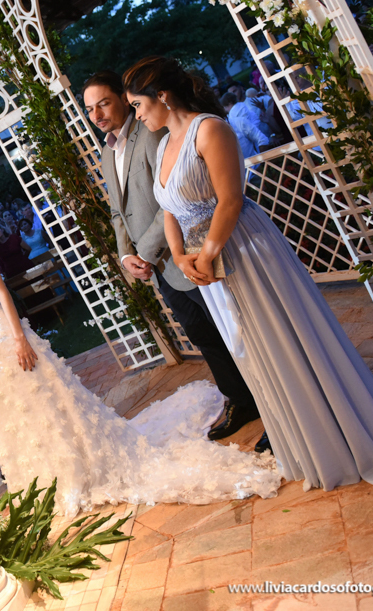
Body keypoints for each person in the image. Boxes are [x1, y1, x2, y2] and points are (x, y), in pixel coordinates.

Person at [123, 55, 373, 492]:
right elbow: (168, 211)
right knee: (254, 351)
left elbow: (230, 199)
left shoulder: (210, 129)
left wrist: (209, 253)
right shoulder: (163, 146)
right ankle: (303, 441)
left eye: (138, 105)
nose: (137, 116)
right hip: (205, 265)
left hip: (242, 250)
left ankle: (339, 436)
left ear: (162, 96)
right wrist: (180, 257)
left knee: (284, 338)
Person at [0, 203, 281, 515]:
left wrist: (20, 339)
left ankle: (82, 469)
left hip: (7, 340)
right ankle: (47, 482)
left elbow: (2, 293)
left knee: (48, 406)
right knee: (15, 420)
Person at [82, 70, 260, 442]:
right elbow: (117, 211)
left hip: (190, 252)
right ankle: (241, 400)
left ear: (123, 99)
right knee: (202, 335)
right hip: (164, 266)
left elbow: (170, 202)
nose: (96, 115)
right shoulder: (107, 150)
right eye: (90, 109)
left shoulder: (153, 133)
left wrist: (146, 252)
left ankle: (266, 397)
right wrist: (125, 255)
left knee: (237, 331)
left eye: (104, 104)